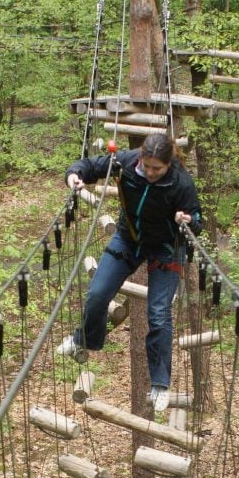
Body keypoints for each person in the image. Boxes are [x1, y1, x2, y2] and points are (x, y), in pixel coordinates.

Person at [57, 133, 203, 413]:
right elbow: (90, 165)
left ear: (168, 163)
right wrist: (74, 175)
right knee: (98, 293)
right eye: (146, 166)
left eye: (156, 169)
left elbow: (198, 221)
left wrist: (187, 220)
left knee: (159, 314)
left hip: (166, 248)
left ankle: (160, 383)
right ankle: (84, 340)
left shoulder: (181, 182)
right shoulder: (125, 162)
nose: (150, 173)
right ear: (140, 159)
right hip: (129, 239)